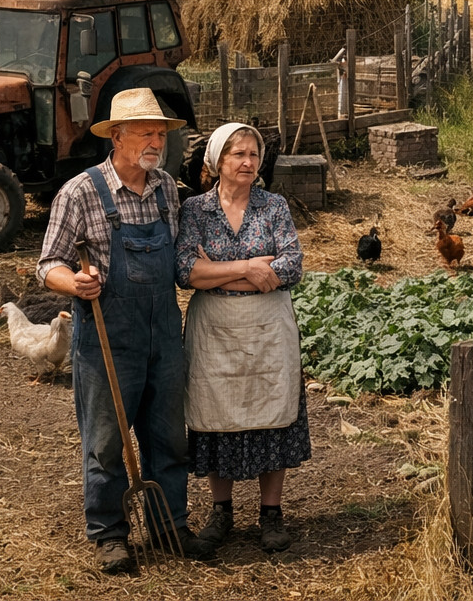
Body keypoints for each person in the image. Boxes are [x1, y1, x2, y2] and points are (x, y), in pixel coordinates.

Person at [39, 87, 215, 574]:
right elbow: (47, 263)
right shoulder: (80, 192)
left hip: (164, 335)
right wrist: (73, 280)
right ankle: (110, 534)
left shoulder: (165, 190)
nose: (156, 141)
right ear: (117, 137)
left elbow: (177, 259)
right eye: (146, 132)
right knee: (105, 441)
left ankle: (168, 524)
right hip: (107, 339)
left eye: (161, 132)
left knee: (168, 438)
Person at [177, 122, 310, 554]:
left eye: (253, 154)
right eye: (238, 154)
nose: (248, 162)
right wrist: (251, 268)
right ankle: (222, 511)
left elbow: (290, 266)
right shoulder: (196, 210)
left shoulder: (274, 207)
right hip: (214, 330)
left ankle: (270, 514)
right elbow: (186, 272)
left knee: (271, 407)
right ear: (217, 162)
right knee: (218, 413)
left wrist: (219, 271)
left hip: (268, 326)